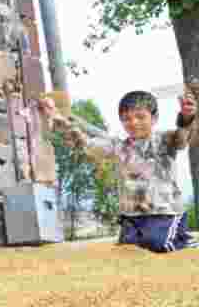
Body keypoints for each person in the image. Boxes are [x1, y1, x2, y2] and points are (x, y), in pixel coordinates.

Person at [38, 89, 198, 252]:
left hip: (165, 213)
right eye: (127, 119)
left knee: (158, 244)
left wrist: (186, 119)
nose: (134, 122)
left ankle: (185, 241)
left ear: (154, 118)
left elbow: (181, 140)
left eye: (140, 117)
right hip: (132, 216)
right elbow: (85, 143)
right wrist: (56, 116)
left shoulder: (164, 140)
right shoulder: (118, 146)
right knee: (129, 247)